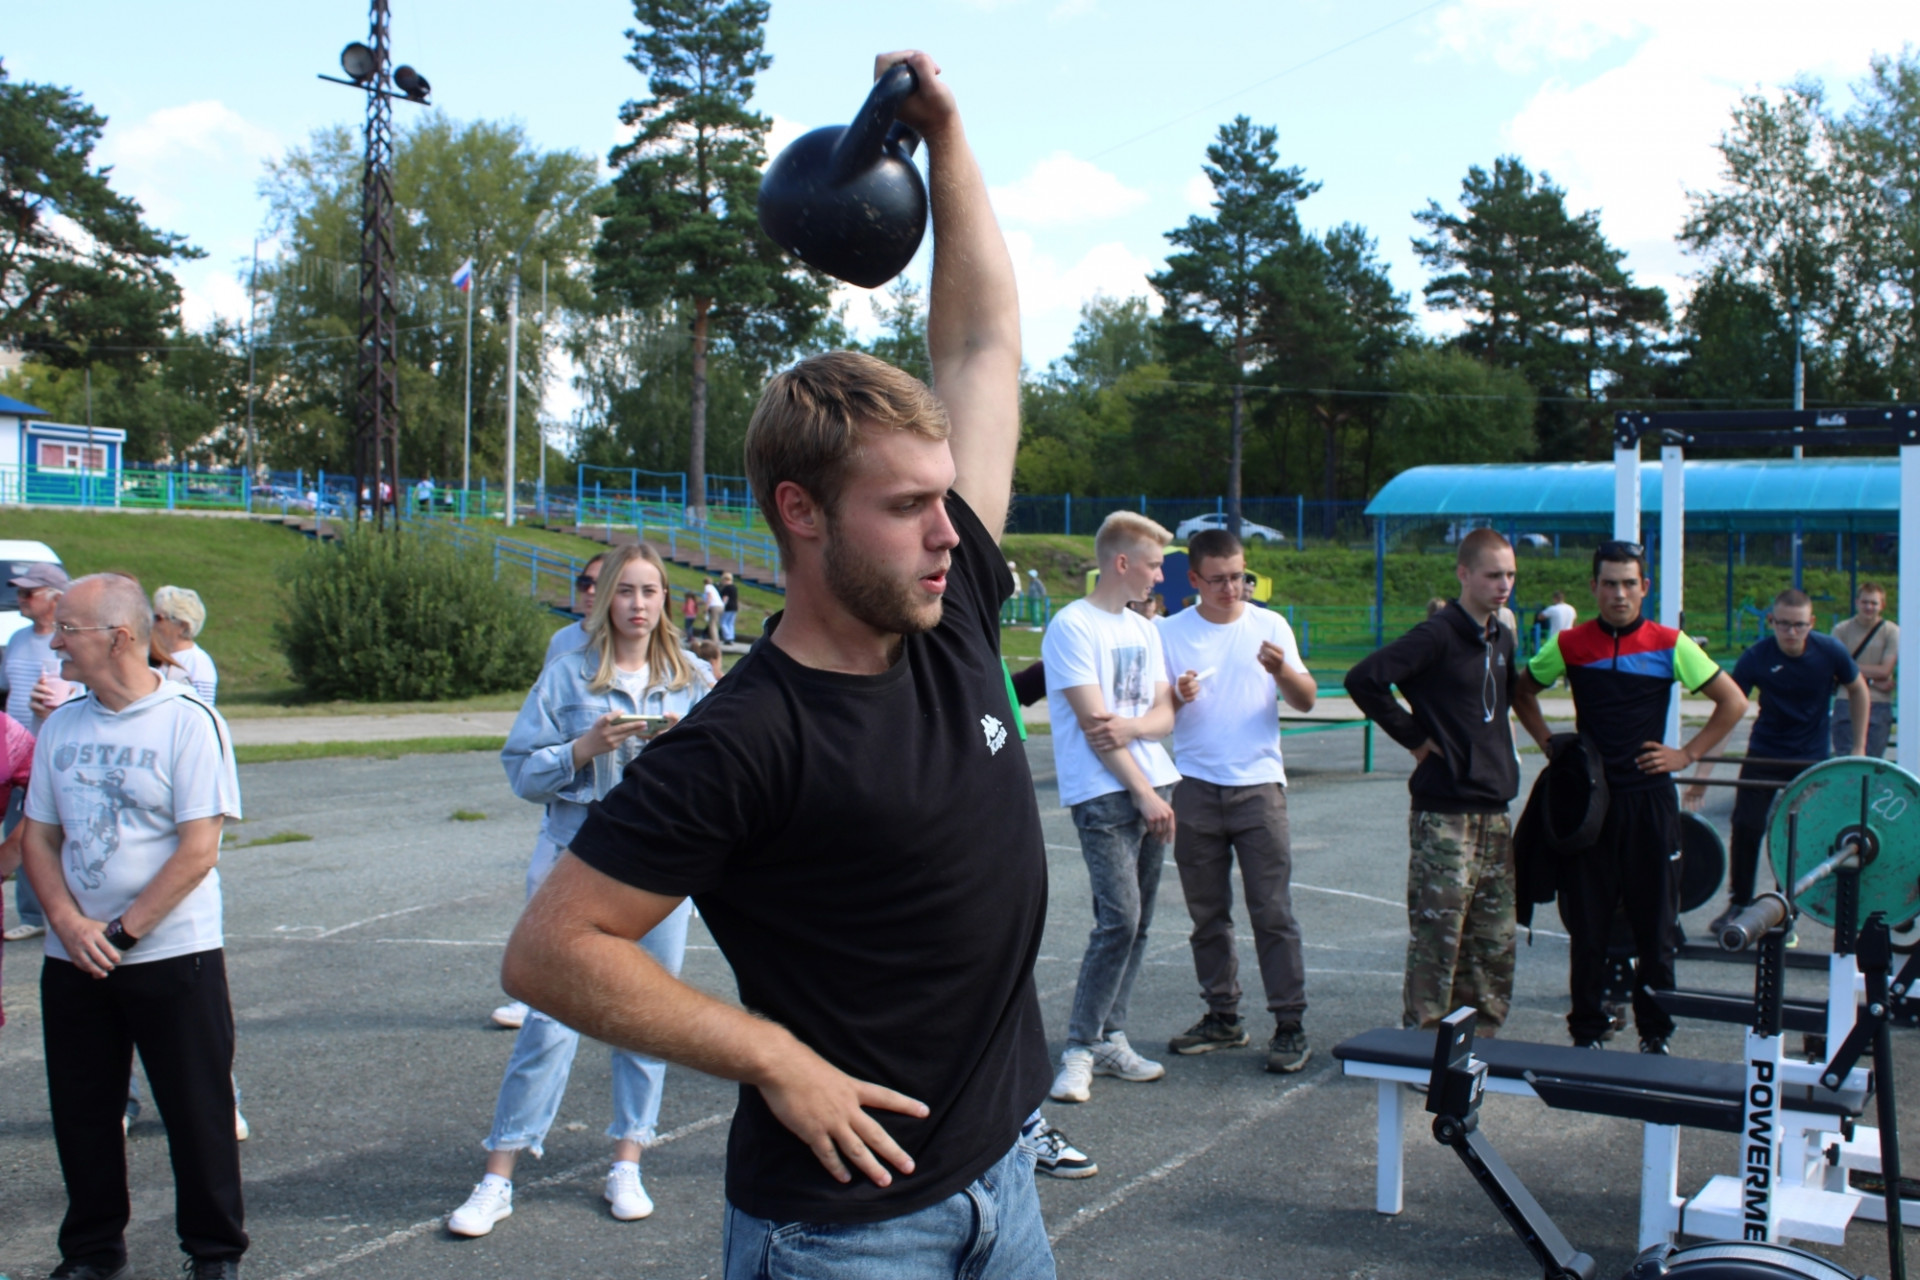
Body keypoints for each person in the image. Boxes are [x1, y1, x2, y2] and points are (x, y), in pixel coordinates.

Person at [499, 49, 1056, 1278]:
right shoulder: (745, 738)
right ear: (801, 512)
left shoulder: (951, 608)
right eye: (910, 505)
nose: (951, 530)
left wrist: (947, 140)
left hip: (1004, 1182)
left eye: (946, 497)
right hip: (847, 1235)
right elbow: (549, 947)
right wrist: (771, 1056)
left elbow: (979, 342)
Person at [449, 544, 710, 1237]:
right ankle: (498, 1175)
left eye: (650, 591)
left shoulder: (694, 677)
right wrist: (582, 749)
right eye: (624, 591)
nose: (637, 604)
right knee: (549, 1022)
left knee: (648, 1022)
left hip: (659, 871)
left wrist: (687, 751)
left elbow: (732, 770)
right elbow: (521, 772)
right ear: (604, 601)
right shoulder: (567, 676)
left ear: (665, 601)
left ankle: (629, 1160)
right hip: (579, 866)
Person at [21, 573, 245, 1280]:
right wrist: (66, 923)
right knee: (84, 1114)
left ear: (118, 637)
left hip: (170, 954)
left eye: (68, 631)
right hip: (74, 957)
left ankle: (213, 1254)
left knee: (196, 1112)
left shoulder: (188, 720)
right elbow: (39, 838)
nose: (54, 644)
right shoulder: (62, 725)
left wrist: (120, 934)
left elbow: (198, 848)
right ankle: (91, 1251)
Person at [1511, 540, 1747, 1053]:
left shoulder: (1670, 642)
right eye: (1610, 584)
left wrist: (1686, 754)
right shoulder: (1571, 643)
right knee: (1588, 923)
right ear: (1593, 588)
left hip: (1649, 801)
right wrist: (1550, 744)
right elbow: (1521, 690)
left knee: (1656, 925)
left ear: (1645, 587)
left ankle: (1655, 1033)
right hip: (1591, 805)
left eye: (1629, 583)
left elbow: (1733, 701)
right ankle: (1587, 1031)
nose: (1619, 594)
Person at [1346, 530, 1524, 1035]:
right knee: (1439, 935)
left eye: (1510, 575)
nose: (1503, 585)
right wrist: (1416, 739)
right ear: (1464, 574)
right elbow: (1366, 679)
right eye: (1492, 575)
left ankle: (1481, 1036)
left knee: (1492, 939)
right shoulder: (1438, 633)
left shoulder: (1502, 636)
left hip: (1494, 809)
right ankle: (1423, 1041)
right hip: (1445, 811)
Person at [1158, 528, 1318, 1071]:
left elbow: (1306, 698)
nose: (1233, 589)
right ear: (1195, 580)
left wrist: (1282, 671)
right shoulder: (1169, 631)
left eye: (1241, 577)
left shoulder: (1269, 625)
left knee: (1272, 910)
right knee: (1208, 915)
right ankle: (1222, 1015)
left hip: (1258, 785)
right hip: (1197, 784)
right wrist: (1176, 696)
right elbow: (1156, 707)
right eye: (1220, 580)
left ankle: (1289, 1023)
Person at [1042, 510, 1179, 1106]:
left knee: (1140, 921)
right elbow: (1097, 730)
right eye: (1153, 565)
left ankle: (1110, 1033)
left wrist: (1134, 730)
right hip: (1106, 794)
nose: (1159, 578)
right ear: (1122, 563)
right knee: (1118, 918)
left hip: (1155, 786)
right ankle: (1078, 1047)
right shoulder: (1072, 627)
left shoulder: (1145, 630)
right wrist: (1142, 789)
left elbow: (1164, 715)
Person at [1689, 589, 1869, 934]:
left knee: (1799, 835)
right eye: (1783, 624)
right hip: (1765, 752)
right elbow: (1727, 714)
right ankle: (1739, 901)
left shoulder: (1829, 651)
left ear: (1811, 623)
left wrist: (1858, 748)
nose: (1791, 632)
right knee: (1746, 825)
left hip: (1810, 758)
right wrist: (1702, 775)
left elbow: (1858, 688)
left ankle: (1785, 905)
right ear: (1771, 622)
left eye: (1799, 625)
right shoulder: (1756, 657)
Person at [2, 562, 71, 942]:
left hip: (49, 747)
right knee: (16, 829)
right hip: (14, 751)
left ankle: (57, 908)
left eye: (29, 593)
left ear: (56, 599)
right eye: (19, 592)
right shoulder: (17, 638)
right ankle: (31, 913)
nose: (20, 599)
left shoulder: (66, 641)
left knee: (45, 830)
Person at [1832, 582, 1898, 760]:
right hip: (1846, 700)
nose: (1869, 607)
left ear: (1882, 605)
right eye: (1865, 602)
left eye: (1874, 603)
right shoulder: (1841, 630)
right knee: (1845, 762)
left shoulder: (1892, 632)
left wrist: (1849, 668)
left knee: (1872, 763)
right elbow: (1835, 668)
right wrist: (1871, 681)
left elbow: (1885, 670)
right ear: (1857, 603)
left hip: (1879, 703)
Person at [152, 586, 218, 704]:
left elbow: (203, 708)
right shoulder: (154, 656)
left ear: (182, 625)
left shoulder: (197, 662)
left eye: (158, 618)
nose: (152, 623)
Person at [544, 554, 606, 670]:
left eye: (601, 584)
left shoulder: (629, 642)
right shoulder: (562, 639)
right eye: (585, 582)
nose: (590, 591)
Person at [718, 571, 740, 644]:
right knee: (730, 623)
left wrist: (722, 606)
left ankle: (727, 637)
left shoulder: (726, 588)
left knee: (723, 622)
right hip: (734, 606)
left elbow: (725, 598)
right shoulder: (734, 587)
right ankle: (731, 636)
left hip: (728, 607)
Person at [704, 577, 725, 642]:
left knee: (712, 624)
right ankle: (716, 638)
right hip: (721, 606)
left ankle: (715, 640)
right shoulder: (713, 588)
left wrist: (706, 608)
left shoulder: (707, 587)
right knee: (715, 623)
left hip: (714, 606)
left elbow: (709, 597)